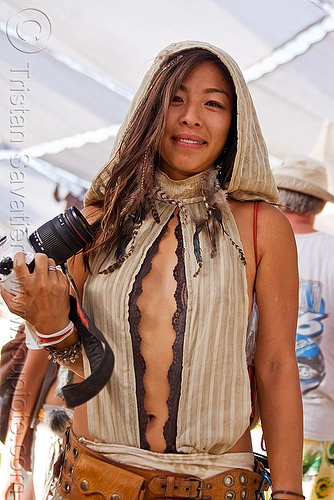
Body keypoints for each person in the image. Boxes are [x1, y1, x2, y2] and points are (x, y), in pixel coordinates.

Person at [1, 41, 303, 499]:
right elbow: (75, 355)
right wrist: (49, 328)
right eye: (175, 99)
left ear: (236, 124)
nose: (191, 117)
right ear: (150, 112)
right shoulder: (99, 220)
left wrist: (288, 491)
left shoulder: (263, 227)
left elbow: (278, 365)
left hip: (216, 481)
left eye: (213, 104)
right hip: (98, 479)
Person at [273, 156, 334, 500]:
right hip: (323, 424)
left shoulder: (256, 248)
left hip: (258, 421)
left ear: (277, 198)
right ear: (319, 203)